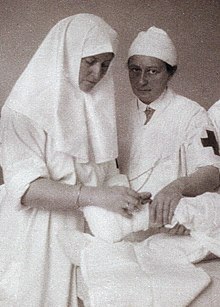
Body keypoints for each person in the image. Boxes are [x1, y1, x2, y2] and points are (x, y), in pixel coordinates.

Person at [0, 14, 149, 306]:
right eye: (90, 61)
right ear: (66, 54)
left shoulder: (96, 107)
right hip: (38, 237)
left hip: (89, 231)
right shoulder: (21, 111)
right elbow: (27, 190)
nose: (97, 73)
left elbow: (106, 174)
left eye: (105, 65)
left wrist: (126, 196)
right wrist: (97, 196)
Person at [119, 26, 220, 239]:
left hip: (171, 226)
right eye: (135, 70)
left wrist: (177, 188)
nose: (141, 80)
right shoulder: (117, 114)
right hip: (122, 223)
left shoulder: (192, 114)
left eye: (152, 71)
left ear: (170, 72)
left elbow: (212, 172)